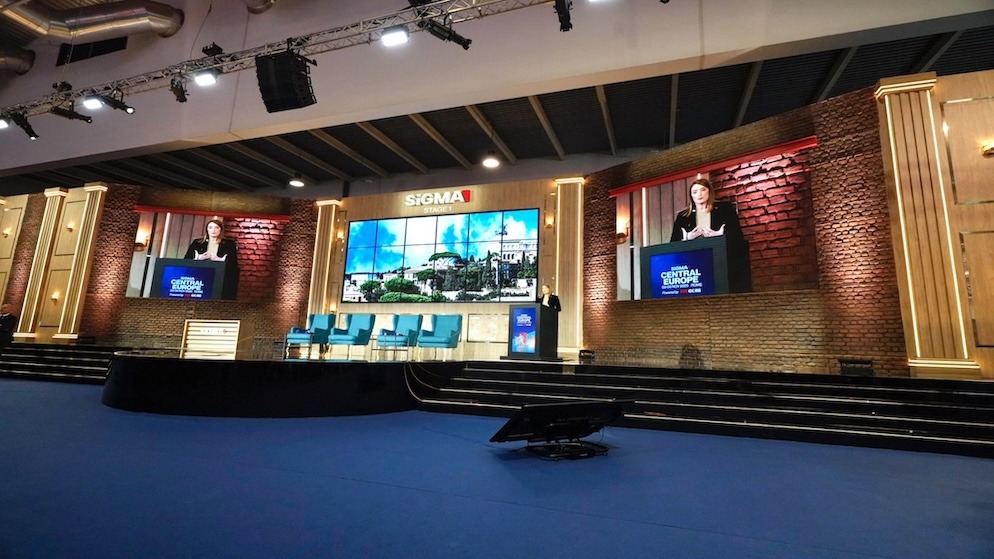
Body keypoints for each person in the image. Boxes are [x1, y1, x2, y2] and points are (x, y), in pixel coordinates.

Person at [669, 178, 742, 243]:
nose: (699, 194)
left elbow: (737, 236)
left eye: (703, 190)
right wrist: (687, 238)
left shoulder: (725, 209)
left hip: (720, 253)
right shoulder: (683, 216)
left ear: (709, 192)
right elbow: (673, 243)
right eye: (695, 192)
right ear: (691, 196)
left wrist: (720, 235)